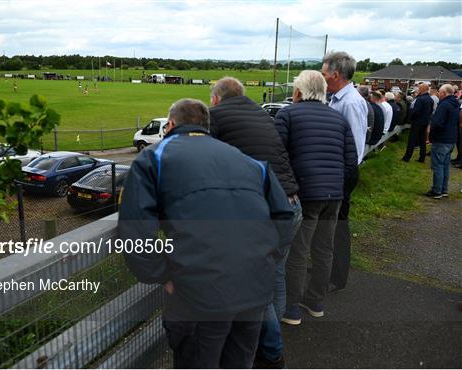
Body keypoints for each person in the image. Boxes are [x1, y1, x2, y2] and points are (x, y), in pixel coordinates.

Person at [118, 98, 294, 369]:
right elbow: (284, 215)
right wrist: (265, 259)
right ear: (207, 126)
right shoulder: (248, 161)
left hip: (199, 296)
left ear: (170, 125)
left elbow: (134, 231)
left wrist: (161, 273)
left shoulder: (154, 157)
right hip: (254, 289)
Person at [209, 77, 301, 368]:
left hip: (263, 211)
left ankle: (271, 353)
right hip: (291, 205)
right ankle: (270, 345)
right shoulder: (261, 113)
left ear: (215, 99)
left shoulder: (215, 117)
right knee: (274, 274)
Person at [275, 70, 357, 324]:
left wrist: (289, 189)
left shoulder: (287, 114)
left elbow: (278, 156)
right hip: (334, 194)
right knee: (324, 249)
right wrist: (341, 189)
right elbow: (351, 162)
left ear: (298, 92)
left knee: (298, 251)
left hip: (305, 192)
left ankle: (291, 308)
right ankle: (315, 301)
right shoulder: (338, 118)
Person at [321, 51, 367, 292]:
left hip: (342, 174)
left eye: (323, 74)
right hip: (337, 172)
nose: (321, 77)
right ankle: (329, 269)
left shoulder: (350, 102)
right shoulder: (338, 98)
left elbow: (356, 147)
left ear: (335, 75)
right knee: (329, 225)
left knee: (338, 226)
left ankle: (337, 278)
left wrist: (342, 177)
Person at [425, 84, 459, 198]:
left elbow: (437, 122)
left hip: (442, 139)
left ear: (444, 93)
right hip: (451, 138)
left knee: (438, 165)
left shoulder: (444, 105)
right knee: (445, 165)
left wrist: (431, 134)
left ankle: (436, 190)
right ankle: (444, 189)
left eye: (439, 91)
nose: (438, 93)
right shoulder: (455, 104)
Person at [402, 83, 434, 162]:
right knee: (422, 140)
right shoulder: (430, 99)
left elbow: (416, 111)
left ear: (422, 89)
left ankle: (407, 157)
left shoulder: (420, 99)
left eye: (419, 88)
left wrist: (411, 117)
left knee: (412, 140)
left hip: (417, 122)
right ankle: (422, 157)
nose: (418, 90)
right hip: (425, 121)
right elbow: (430, 111)